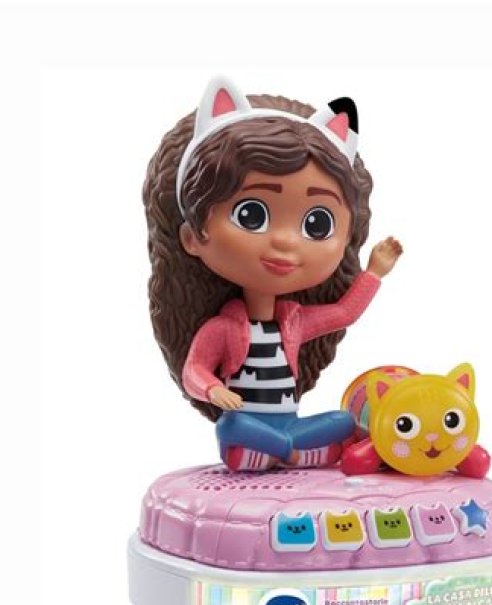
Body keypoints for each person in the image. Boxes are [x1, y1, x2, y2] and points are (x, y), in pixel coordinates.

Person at [144, 77, 402, 471]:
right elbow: (194, 369)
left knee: (343, 421)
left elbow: (344, 312)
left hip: (288, 425)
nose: (285, 242)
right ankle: (291, 454)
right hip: (246, 427)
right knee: (231, 425)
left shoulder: (295, 323)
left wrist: (375, 272)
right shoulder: (222, 330)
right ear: (192, 237)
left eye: (317, 223)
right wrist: (212, 390)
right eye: (251, 215)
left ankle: (283, 450)